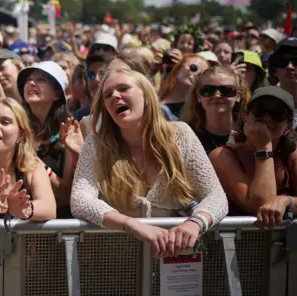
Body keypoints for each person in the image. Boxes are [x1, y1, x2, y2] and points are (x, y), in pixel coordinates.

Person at [71, 69, 227, 257]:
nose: (115, 96)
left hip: (172, 267)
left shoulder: (180, 135)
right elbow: (80, 201)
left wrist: (196, 223)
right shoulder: (96, 144)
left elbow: (216, 196)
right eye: (107, 95)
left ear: (146, 96)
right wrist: (131, 225)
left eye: (123, 88)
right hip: (113, 267)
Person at [0, 0, 73, 217]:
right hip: (12, 221)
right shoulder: (14, 119)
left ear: (57, 93)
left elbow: (66, 195)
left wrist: (36, 165)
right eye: (28, 79)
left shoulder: (70, 132)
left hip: (53, 225)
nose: (31, 83)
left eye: (41, 80)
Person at [210, 87, 297, 221]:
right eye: (260, 111)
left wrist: (287, 201)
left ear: (288, 125)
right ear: (245, 115)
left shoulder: (292, 156)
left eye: (277, 113)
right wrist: (264, 147)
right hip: (238, 240)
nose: (267, 118)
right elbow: (261, 204)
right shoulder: (222, 156)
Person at [181, 66, 248, 154]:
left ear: (238, 96)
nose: (217, 95)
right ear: (198, 96)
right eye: (208, 90)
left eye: (226, 90)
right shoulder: (187, 136)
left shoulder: (248, 133)